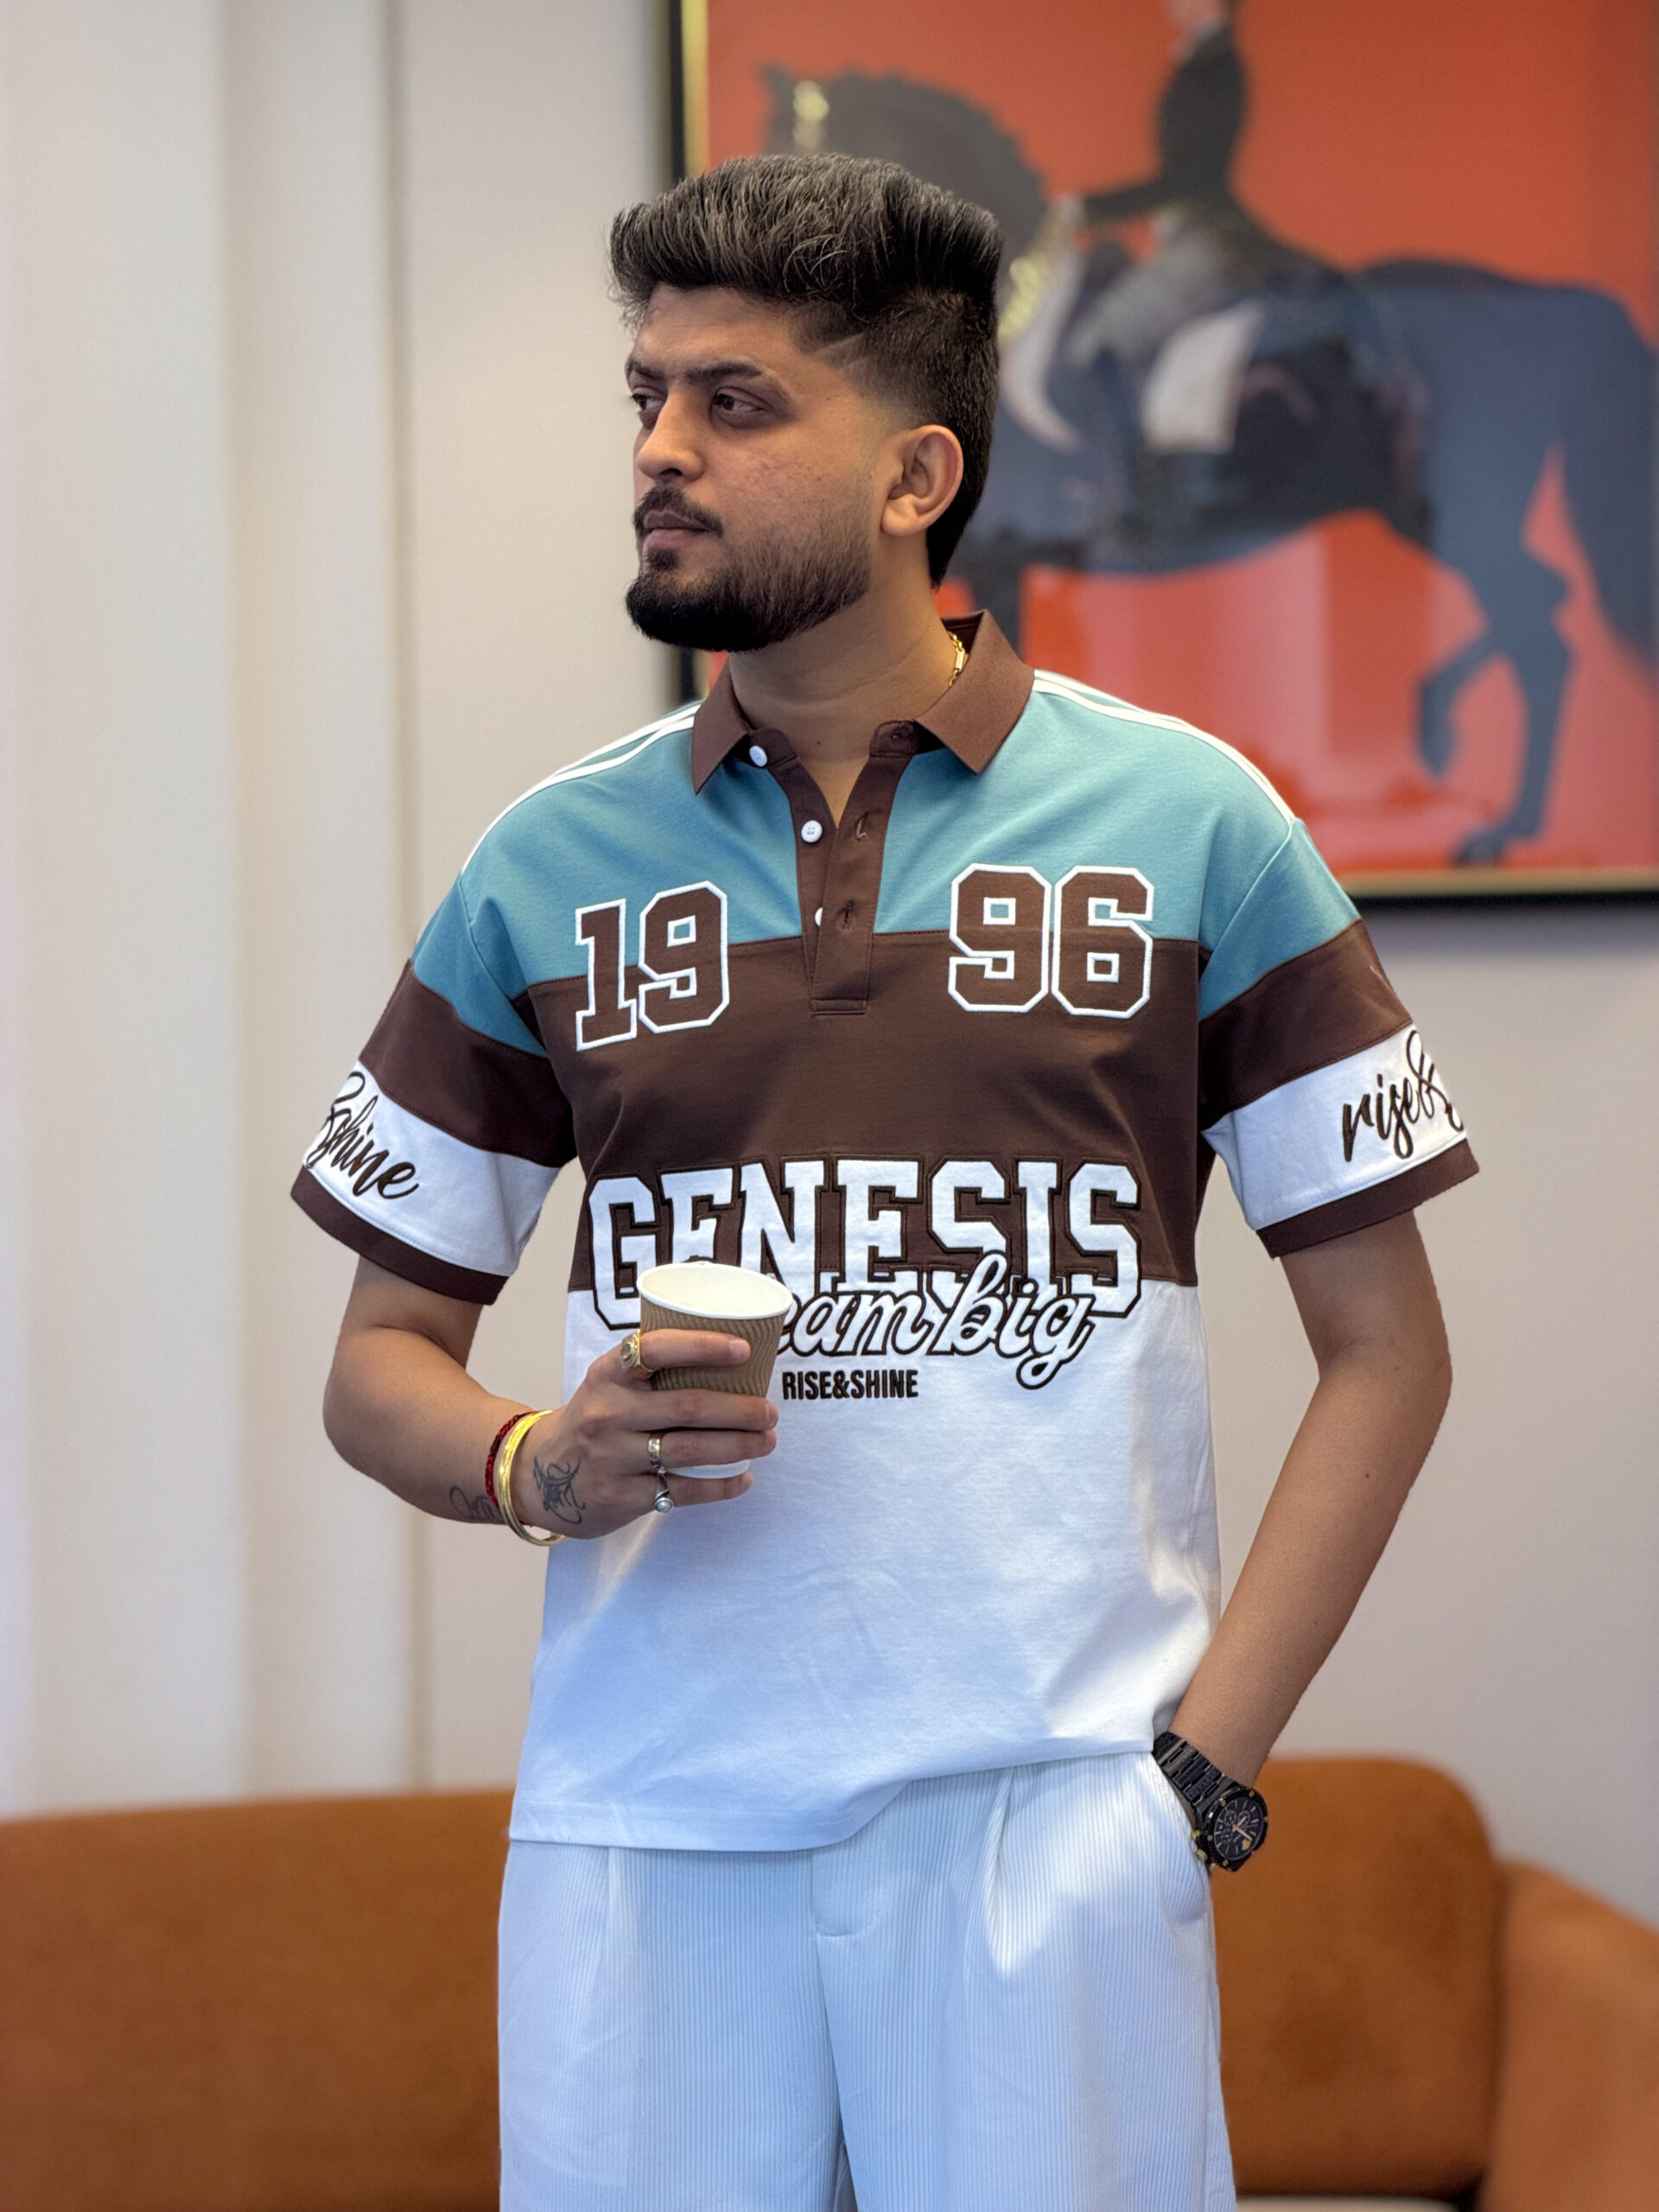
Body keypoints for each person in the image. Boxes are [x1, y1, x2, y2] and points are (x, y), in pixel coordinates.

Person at [297, 154, 1474, 2212]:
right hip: (645, 1824)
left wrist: (1197, 1769)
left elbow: (1389, 1351)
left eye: (734, 401)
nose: (659, 449)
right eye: (648, 395)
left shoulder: (1194, 821)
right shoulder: (541, 863)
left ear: (917, 472)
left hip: (1050, 1816)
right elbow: (376, 1358)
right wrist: (535, 1459)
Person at [1066, 0, 1313, 374]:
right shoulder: (1201, 61)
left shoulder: (1216, 67)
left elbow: (1189, 177)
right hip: (1189, 221)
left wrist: (1091, 209)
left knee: (1099, 341)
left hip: (1208, 230)